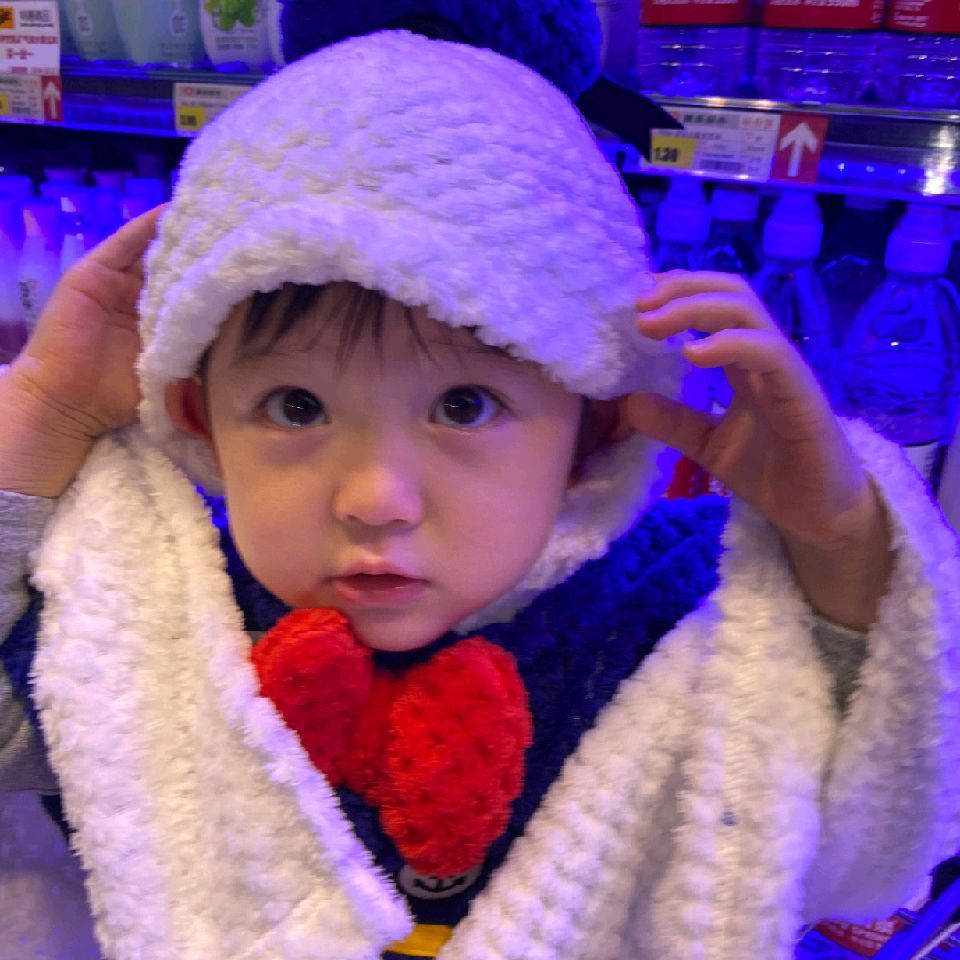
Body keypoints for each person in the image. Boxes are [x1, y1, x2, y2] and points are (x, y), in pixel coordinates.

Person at [0, 28, 959, 960]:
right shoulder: (153, 619)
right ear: (200, 421)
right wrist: (45, 409)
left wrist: (838, 543)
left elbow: (867, 835)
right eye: (296, 407)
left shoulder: (681, 608)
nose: (376, 499)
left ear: (594, 430)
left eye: (464, 407)